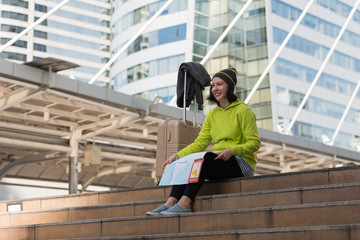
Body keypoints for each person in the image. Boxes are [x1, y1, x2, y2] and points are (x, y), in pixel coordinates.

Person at [146, 68, 261, 215]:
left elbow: (255, 143)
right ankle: (171, 202)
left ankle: (185, 203)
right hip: (220, 160)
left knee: (203, 160)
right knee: (188, 161)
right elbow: (200, 143)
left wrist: (232, 151)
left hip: (241, 163)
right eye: (213, 85)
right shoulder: (212, 114)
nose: (215, 89)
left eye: (219, 84)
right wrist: (177, 156)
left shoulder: (244, 111)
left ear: (230, 86)